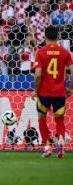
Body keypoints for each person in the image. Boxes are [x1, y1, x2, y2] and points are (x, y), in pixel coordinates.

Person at [32, 25, 73, 158]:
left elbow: (38, 74)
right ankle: (61, 141)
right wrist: (70, 89)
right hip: (60, 93)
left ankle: (47, 146)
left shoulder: (40, 52)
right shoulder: (65, 53)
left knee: (41, 118)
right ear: (58, 37)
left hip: (44, 93)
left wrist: (36, 90)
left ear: (45, 36)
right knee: (59, 119)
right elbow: (72, 72)